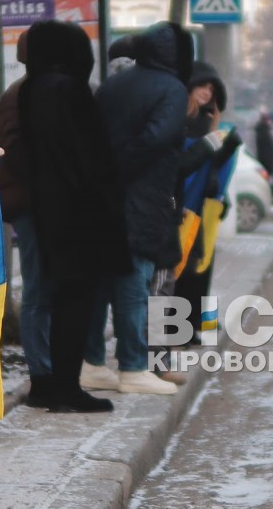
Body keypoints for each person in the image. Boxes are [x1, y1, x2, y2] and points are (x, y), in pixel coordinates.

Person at [19, 19, 127, 413]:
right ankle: (66, 386)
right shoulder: (68, 91)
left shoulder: (33, 88)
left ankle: (53, 384)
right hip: (80, 215)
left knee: (56, 297)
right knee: (76, 303)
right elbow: (89, 159)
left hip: (51, 211)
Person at [83, 22, 193, 398]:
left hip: (101, 200)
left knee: (99, 284)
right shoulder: (173, 89)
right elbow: (157, 140)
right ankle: (132, 366)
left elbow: (94, 135)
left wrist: (107, 172)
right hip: (143, 199)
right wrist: (123, 167)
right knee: (133, 283)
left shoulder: (115, 84)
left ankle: (92, 363)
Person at [155, 65, 241, 382]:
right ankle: (159, 354)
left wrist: (223, 146)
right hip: (171, 208)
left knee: (190, 270)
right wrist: (211, 145)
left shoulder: (206, 122)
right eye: (202, 87)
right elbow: (182, 166)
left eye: (212, 90)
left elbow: (208, 166)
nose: (206, 93)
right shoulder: (177, 121)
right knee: (167, 280)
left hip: (194, 208)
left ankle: (179, 336)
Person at [0, 31, 53, 405]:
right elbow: (16, 150)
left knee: (44, 288)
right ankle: (42, 372)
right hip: (35, 206)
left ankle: (48, 368)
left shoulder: (32, 90)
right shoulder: (25, 93)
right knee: (37, 289)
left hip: (40, 204)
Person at [252, 107, 273, 200]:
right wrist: (272, 163)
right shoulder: (264, 131)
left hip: (265, 160)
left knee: (271, 180)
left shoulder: (260, 130)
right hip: (268, 161)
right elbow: (268, 149)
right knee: (271, 180)